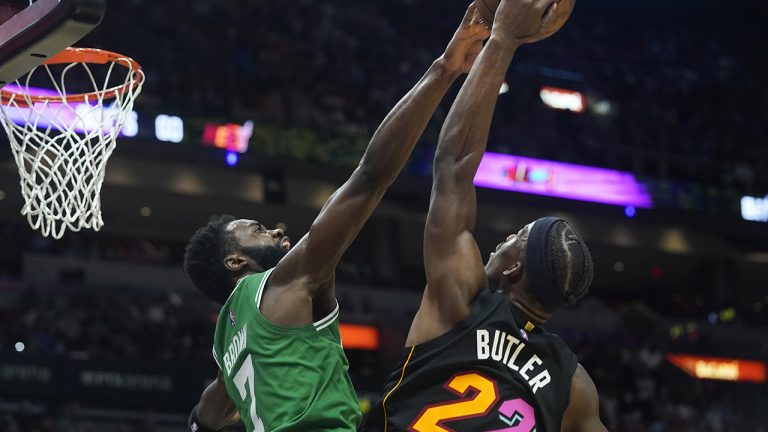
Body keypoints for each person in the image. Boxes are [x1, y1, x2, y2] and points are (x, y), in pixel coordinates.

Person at [181, 6, 491, 432]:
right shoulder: (282, 283)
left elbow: (206, 415)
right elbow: (370, 178)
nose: (276, 230)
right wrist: (444, 69)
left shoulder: (226, 351)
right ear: (235, 262)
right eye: (257, 230)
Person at [362, 0, 608, 431]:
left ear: (513, 267)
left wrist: (504, 41)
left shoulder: (460, 303)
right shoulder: (576, 390)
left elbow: (453, 165)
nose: (498, 243)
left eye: (512, 238)